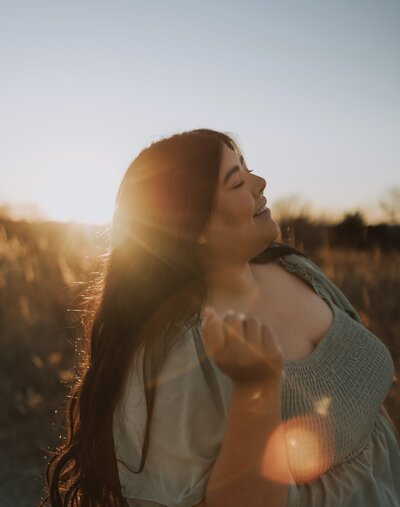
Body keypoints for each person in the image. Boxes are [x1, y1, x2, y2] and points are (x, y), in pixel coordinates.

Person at [43, 129, 400, 507]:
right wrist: (254, 389)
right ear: (190, 226)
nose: (260, 183)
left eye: (247, 169)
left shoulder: (296, 268)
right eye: (236, 181)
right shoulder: (178, 356)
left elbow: (371, 415)